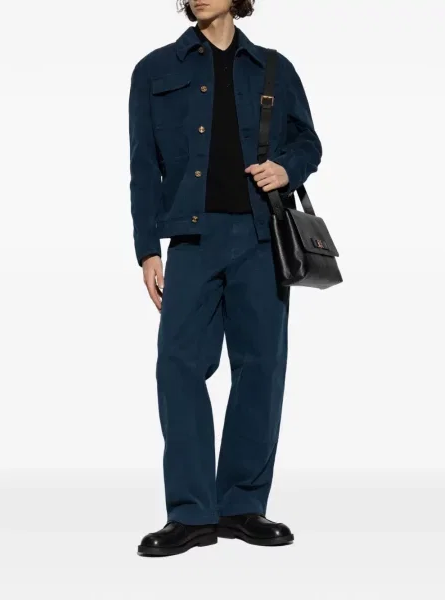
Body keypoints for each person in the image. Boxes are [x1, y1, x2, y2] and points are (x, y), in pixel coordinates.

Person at [128, 0, 322, 557]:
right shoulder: (154, 70)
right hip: (191, 241)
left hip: (261, 238)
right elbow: (143, 166)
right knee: (178, 365)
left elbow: (308, 143)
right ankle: (190, 514)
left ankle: (241, 506)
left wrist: (286, 168)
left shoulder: (274, 68)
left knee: (261, 367)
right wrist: (147, 250)